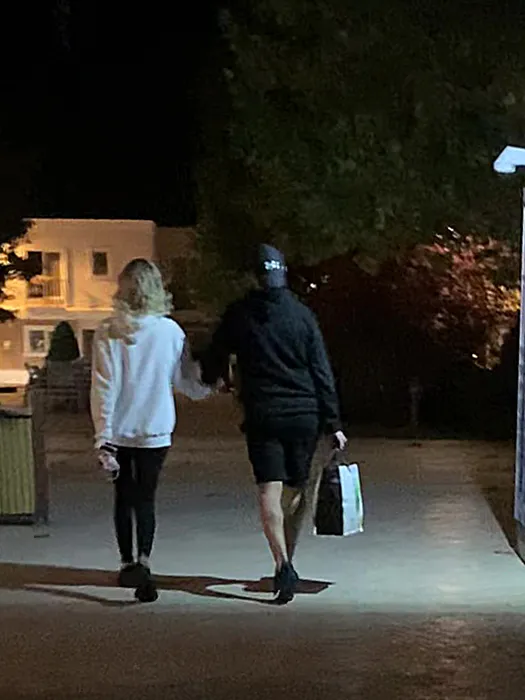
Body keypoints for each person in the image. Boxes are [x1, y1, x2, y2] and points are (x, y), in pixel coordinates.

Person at [200, 244, 347, 604]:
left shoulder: (240, 314)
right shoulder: (303, 316)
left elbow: (215, 355)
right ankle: (287, 559)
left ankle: (282, 564)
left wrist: (210, 378)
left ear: (256, 277)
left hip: (263, 413)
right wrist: (333, 422)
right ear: (283, 275)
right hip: (304, 414)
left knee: (268, 489)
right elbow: (321, 370)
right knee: (295, 489)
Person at [90, 258, 212, 603]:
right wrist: (208, 388)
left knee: (123, 496)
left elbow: (103, 386)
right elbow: (184, 381)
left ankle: (126, 562)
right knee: (146, 496)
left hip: (119, 431)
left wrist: (103, 435)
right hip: (155, 429)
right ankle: (144, 560)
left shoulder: (108, 331)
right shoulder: (171, 332)